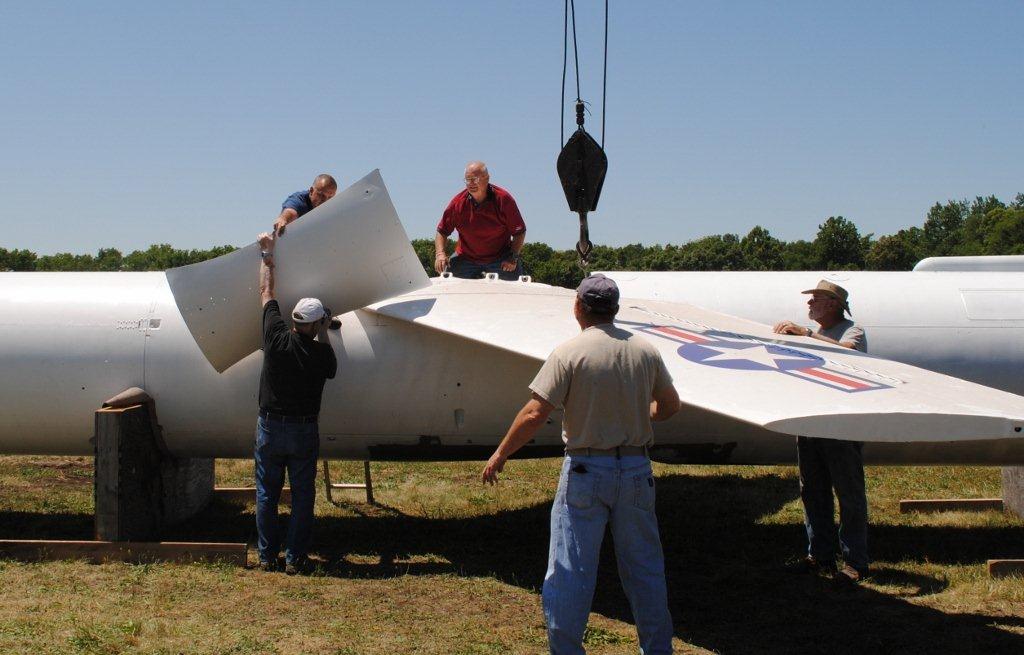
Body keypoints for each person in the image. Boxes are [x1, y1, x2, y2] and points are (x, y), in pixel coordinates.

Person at [482, 274, 681, 655]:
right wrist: (638, 417)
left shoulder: (569, 353)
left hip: (587, 471)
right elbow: (670, 406)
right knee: (644, 570)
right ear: (616, 309)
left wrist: (501, 453)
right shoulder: (645, 351)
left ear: (578, 307)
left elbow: (535, 412)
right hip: (637, 470)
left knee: (570, 571)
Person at [774, 280, 869, 583]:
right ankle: (821, 555)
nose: (809, 305)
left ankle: (855, 561)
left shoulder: (852, 332)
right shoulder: (812, 334)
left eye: (815, 299)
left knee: (848, 494)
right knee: (812, 491)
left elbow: (847, 354)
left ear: (832, 304)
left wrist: (807, 336)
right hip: (811, 422)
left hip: (841, 425)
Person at [254, 231, 338, 574]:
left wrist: (267, 255)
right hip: (303, 431)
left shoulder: (275, 337)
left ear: (293, 319)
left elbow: (266, 292)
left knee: (266, 494)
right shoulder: (322, 356)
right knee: (303, 496)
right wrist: (324, 331)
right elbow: (330, 366)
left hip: (270, 426)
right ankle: (295, 558)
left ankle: (266, 556)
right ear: (316, 324)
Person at [434, 161, 526, 280]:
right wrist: (440, 254)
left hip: (500, 258)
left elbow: (519, 232)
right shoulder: (458, 204)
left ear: (487, 178)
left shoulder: (503, 200)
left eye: (475, 179)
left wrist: (513, 258)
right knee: (446, 281)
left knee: (516, 290)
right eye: (468, 179)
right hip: (466, 258)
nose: (471, 183)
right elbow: (442, 231)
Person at [273, 174, 338, 235]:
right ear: (311, 191)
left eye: (330, 197)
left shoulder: (334, 205)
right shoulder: (299, 200)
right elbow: (291, 212)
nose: (325, 201)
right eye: (321, 195)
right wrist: (283, 219)